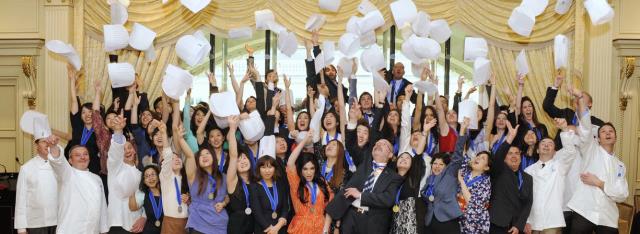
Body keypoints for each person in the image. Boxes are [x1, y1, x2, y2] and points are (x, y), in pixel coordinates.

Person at [566, 88, 628, 234]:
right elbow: (586, 126)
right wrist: (580, 98)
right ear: (598, 138)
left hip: (608, 216)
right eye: (603, 132)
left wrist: (599, 183)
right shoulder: (590, 149)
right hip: (584, 211)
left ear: (615, 138)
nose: (607, 133)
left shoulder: (620, 165)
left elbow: (622, 194)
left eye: (611, 132)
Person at [325, 138, 403, 234]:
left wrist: (361, 195)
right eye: (376, 143)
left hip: (372, 224)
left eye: (384, 144)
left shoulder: (394, 177)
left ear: (391, 154)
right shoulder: (364, 165)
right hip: (350, 218)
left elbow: (388, 199)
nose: (378, 144)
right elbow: (352, 145)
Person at [524, 119, 578, 234]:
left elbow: (570, 152)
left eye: (550, 144)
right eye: (543, 143)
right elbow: (525, 199)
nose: (546, 145)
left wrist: (564, 129)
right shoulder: (528, 171)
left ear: (554, 152)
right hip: (533, 221)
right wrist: (526, 220)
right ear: (537, 150)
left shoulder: (560, 166)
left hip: (552, 221)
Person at [176, 124, 229, 233]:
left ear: (213, 158)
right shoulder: (193, 175)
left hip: (219, 223)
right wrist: (181, 139)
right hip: (198, 223)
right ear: (197, 161)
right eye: (201, 155)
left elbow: (228, 196)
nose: (204, 156)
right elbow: (190, 155)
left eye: (207, 154)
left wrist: (224, 203)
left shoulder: (223, 177)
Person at [421, 118, 470, 234]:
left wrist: (462, 131)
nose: (437, 166)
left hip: (447, 220)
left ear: (446, 166)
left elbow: (457, 155)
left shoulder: (449, 174)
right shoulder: (428, 180)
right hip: (429, 221)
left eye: (441, 164)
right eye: (435, 164)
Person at [49, 141, 109, 233]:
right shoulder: (67, 174)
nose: (82, 157)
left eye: (85, 154)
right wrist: (53, 147)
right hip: (70, 229)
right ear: (70, 160)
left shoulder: (97, 179)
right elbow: (58, 163)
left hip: (92, 230)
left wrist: (104, 230)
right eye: (77, 155)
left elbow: (102, 207)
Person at [489, 121, 533, 234]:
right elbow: (497, 157)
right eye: (510, 153)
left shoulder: (528, 178)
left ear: (520, 157)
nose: (514, 156)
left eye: (517, 153)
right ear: (504, 158)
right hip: (497, 223)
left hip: (516, 227)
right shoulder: (499, 170)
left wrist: (519, 225)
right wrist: (509, 138)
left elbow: (528, 203)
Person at [14, 127, 60, 234]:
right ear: (36, 145)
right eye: (44, 141)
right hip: (36, 223)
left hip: (59, 221)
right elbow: (21, 199)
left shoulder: (60, 166)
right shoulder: (26, 168)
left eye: (49, 140)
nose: (47, 144)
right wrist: (21, 228)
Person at [287, 130, 334, 234]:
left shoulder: (322, 182)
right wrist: (304, 140)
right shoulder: (296, 182)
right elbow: (290, 163)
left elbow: (330, 207)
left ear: (315, 169)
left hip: (320, 227)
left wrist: (326, 229)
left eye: (312, 168)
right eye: (305, 169)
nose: (309, 172)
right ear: (300, 170)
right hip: (301, 228)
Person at [542, 73, 605, 150]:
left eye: (581, 96)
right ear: (573, 104)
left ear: (590, 104)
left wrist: (574, 129)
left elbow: (603, 138)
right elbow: (547, 106)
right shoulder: (566, 113)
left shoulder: (597, 123)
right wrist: (555, 86)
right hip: (560, 157)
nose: (578, 98)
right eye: (576, 96)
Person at [107, 113, 144, 233]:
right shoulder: (115, 167)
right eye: (123, 149)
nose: (126, 151)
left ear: (134, 150)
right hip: (118, 223)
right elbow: (115, 152)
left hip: (136, 224)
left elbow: (146, 198)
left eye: (129, 147)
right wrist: (118, 132)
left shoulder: (141, 173)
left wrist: (144, 217)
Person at [225, 115, 256, 234]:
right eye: (239, 161)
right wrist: (232, 129)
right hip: (237, 228)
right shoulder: (232, 181)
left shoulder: (256, 181)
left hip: (254, 226)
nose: (242, 161)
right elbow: (233, 155)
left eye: (244, 158)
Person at [159, 124, 188, 234]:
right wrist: (163, 133)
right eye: (173, 158)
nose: (176, 159)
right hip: (171, 223)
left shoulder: (185, 179)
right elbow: (167, 156)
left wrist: (187, 199)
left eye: (178, 158)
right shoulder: (166, 177)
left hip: (186, 223)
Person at [250, 155, 290, 234]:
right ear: (259, 169)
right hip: (264, 229)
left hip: (280, 228)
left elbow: (285, 207)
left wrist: (278, 226)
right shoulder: (254, 187)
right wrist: (270, 229)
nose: (267, 171)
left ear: (275, 168)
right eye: (263, 167)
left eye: (270, 167)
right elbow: (257, 212)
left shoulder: (280, 184)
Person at [457, 149, 492, 233]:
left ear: (486, 167)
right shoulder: (465, 171)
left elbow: (471, 202)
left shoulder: (485, 182)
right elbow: (462, 150)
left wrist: (461, 181)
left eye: (482, 158)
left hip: (475, 224)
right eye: (477, 156)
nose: (478, 158)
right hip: (458, 218)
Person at [130, 165, 163, 234]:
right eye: (147, 176)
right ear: (144, 181)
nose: (150, 178)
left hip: (165, 230)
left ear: (158, 176)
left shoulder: (165, 194)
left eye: (153, 174)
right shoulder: (143, 194)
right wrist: (131, 192)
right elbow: (133, 208)